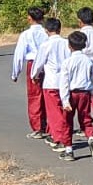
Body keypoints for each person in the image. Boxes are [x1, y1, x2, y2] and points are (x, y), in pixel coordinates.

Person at [58, 31, 93, 162]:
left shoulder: (67, 62)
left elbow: (64, 82)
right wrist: (91, 91)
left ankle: (69, 150)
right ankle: (91, 138)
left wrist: (65, 100)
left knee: (67, 121)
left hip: (72, 93)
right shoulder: (89, 61)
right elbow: (92, 78)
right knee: (86, 119)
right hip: (85, 93)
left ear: (69, 46)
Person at [31, 18, 70, 151]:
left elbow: (39, 63)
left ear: (46, 30)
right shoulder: (67, 43)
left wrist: (34, 76)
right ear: (60, 29)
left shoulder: (46, 45)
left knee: (54, 112)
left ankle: (60, 138)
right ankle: (61, 135)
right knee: (64, 110)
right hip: (66, 81)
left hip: (51, 82)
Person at [11, 6, 49, 139]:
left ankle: (38, 128)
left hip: (33, 64)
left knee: (34, 96)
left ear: (30, 18)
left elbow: (19, 55)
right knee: (47, 95)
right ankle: (49, 126)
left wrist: (15, 73)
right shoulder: (47, 33)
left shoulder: (26, 35)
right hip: (47, 65)